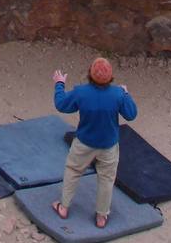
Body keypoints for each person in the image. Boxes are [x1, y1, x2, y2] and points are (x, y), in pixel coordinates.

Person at [51, 58, 137, 228]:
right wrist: (126, 93)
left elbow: (61, 105)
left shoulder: (81, 92)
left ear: (90, 73)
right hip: (108, 146)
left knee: (73, 171)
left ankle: (64, 207)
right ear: (111, 76)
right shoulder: (118, 94)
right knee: (106, 179)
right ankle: (101, 216)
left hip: (84, 142)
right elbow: (131, 114)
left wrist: (59, 84)